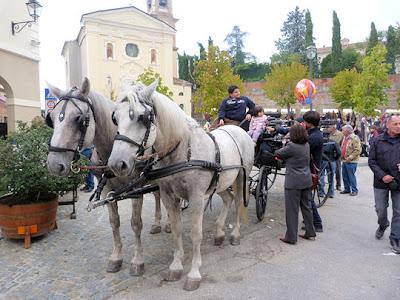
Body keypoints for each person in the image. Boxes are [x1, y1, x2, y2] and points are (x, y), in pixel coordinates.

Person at [275, 124, 316, 245]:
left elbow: (278, 153)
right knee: (306, 207)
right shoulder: (306, 145)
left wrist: (285, 142)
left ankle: (291, 237)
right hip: (306, 179)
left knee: (292, 210)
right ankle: (310, 232)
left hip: (293, 182)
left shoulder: (291, 146)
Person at [368, 115, 400, 254]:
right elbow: (372, 161)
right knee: (381, 209)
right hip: (381, 181)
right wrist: (382, 175)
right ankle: (383, 224)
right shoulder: (377, 140)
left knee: (398, 211)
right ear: (387, 125)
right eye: (395, 123)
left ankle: (395, 237)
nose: (398, 126)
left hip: (398, 181)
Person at [303, 111, 324, 232]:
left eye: (305, 121)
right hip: (309, 168)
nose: (304, 123)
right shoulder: (314, 133)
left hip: (310, 170)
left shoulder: (314, 137)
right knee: (306, 198)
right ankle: (310, 221)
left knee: (307, 198)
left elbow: (304, 149)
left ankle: (317, 223)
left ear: (309, 123)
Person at [340, 125, 362, 196]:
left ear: (347, 131)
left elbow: (358, 150)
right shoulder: (345, 137)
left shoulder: (354, 138)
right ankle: (347, 189)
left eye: (343, 130)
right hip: (344, 160)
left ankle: (354, 190)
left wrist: (350, 157)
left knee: (351, 176)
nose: (342, 131)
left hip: (351, 161)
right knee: (345, 176)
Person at [328, 125, 344, 191]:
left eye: (329, 127)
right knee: (329, 171)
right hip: (328, 154)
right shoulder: (327, 134)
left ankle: (338, 185)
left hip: (336, 154)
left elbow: (342, 144)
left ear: (333, 128)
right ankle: (330, 186)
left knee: (337, 170)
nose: (327, 128)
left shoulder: (340, 134)